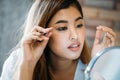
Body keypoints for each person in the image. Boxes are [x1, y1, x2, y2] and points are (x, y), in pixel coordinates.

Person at [0, 0, 116, 80]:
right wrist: (28, 64)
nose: (75, 35)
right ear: (42, 31)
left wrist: (98, 64)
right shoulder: (16, 62)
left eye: (79, 25)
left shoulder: (91, 71)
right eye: (62, 28)